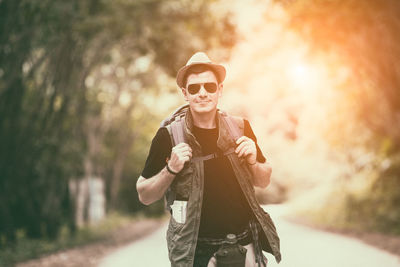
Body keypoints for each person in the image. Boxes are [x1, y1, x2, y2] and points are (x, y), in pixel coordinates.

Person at [136, 52, 281, 267]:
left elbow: (263, 179)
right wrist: (170, 169)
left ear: (219, 90)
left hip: (246, 245)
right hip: (197, 253)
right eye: (194, 88)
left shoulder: (240, 128)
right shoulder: (168, 136)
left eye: (209, 86)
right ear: (185, 93)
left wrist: (252, 160)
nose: (202, 93)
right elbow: (144, 194)